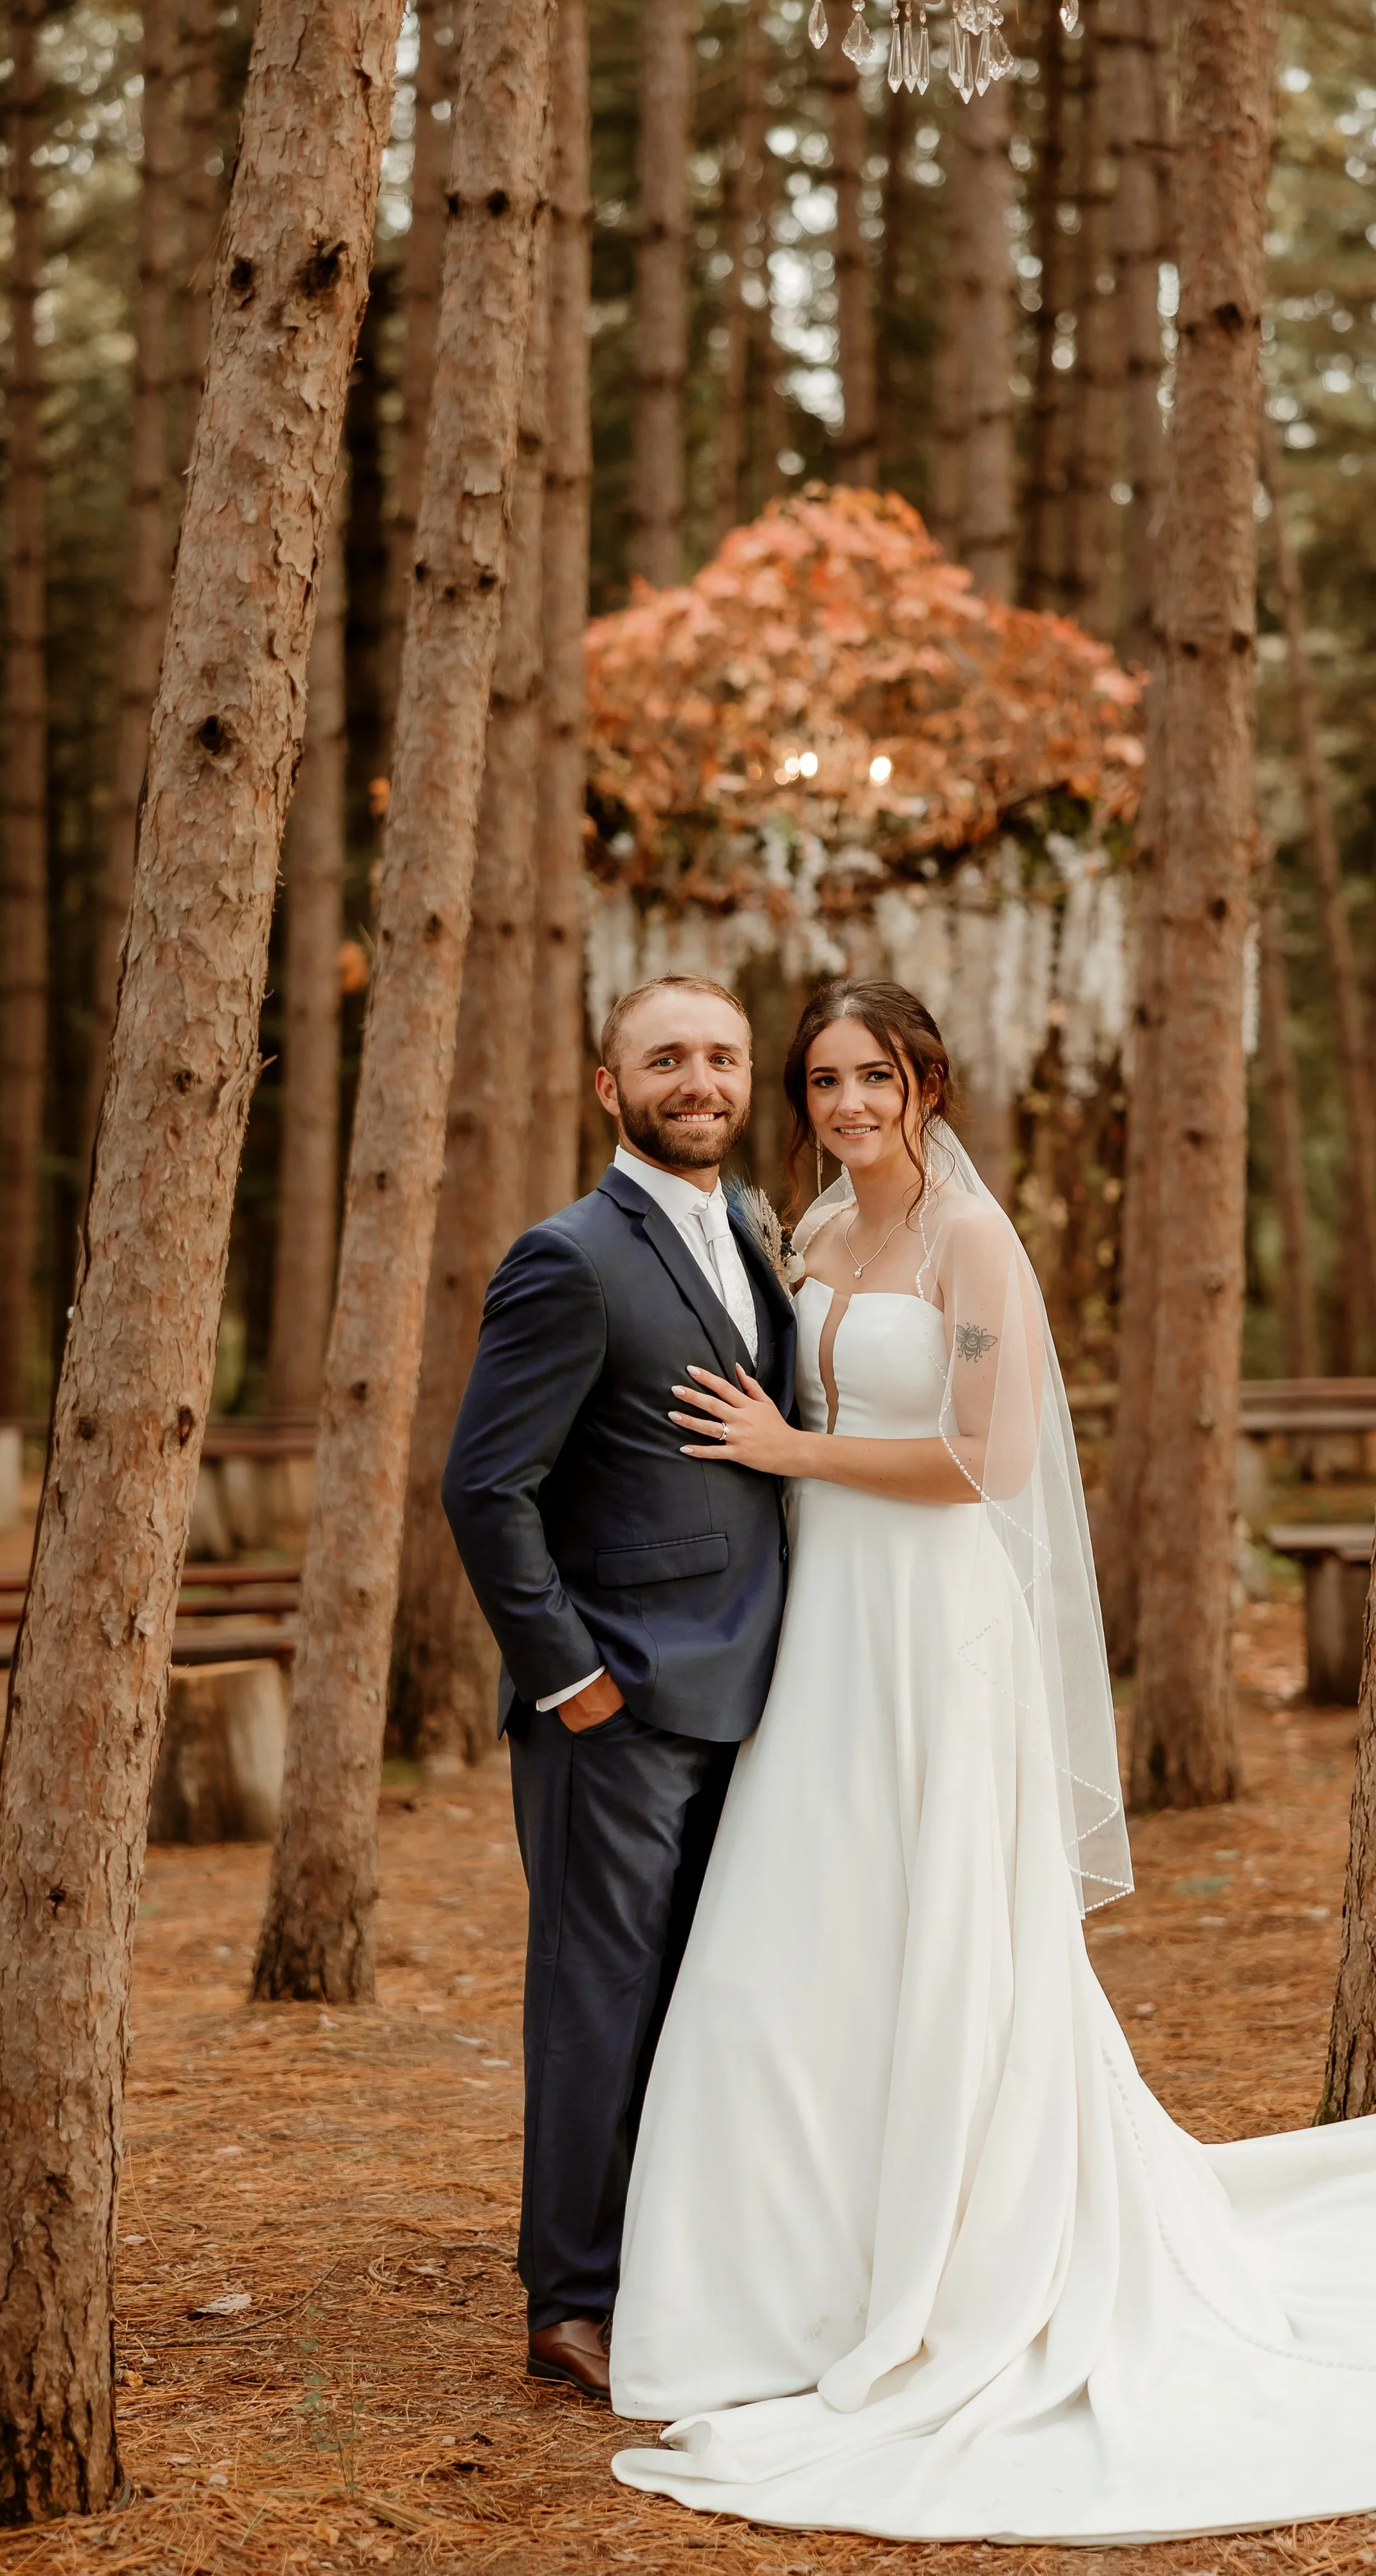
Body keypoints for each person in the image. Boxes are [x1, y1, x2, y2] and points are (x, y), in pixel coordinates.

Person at [607, 977, 1376, 2547]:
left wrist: (793, 1451)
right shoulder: (804, 1241)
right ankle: (783, 2275)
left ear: (925, 1085)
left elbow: (983, 1461)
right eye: (822, 1080)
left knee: (946, 1933)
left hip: (936, 1631)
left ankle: (966, 2257)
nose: (847, 1103)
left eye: (873, 1076)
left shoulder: (967, 1242)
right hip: (829, 1631)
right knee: (795, 1941)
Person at [440, 975, 795, 2403]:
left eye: (718, 1056)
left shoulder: (749, 1235)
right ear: (610, 1089)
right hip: (621, 1704)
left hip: (749, 1691)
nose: (696, 1079)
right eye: (665, 1059)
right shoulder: (567, 1256)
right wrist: (569, 1678)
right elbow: (483, 1487)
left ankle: (670, 2259)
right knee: (597, 1996)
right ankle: (570, 2299)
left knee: (699, 1997)